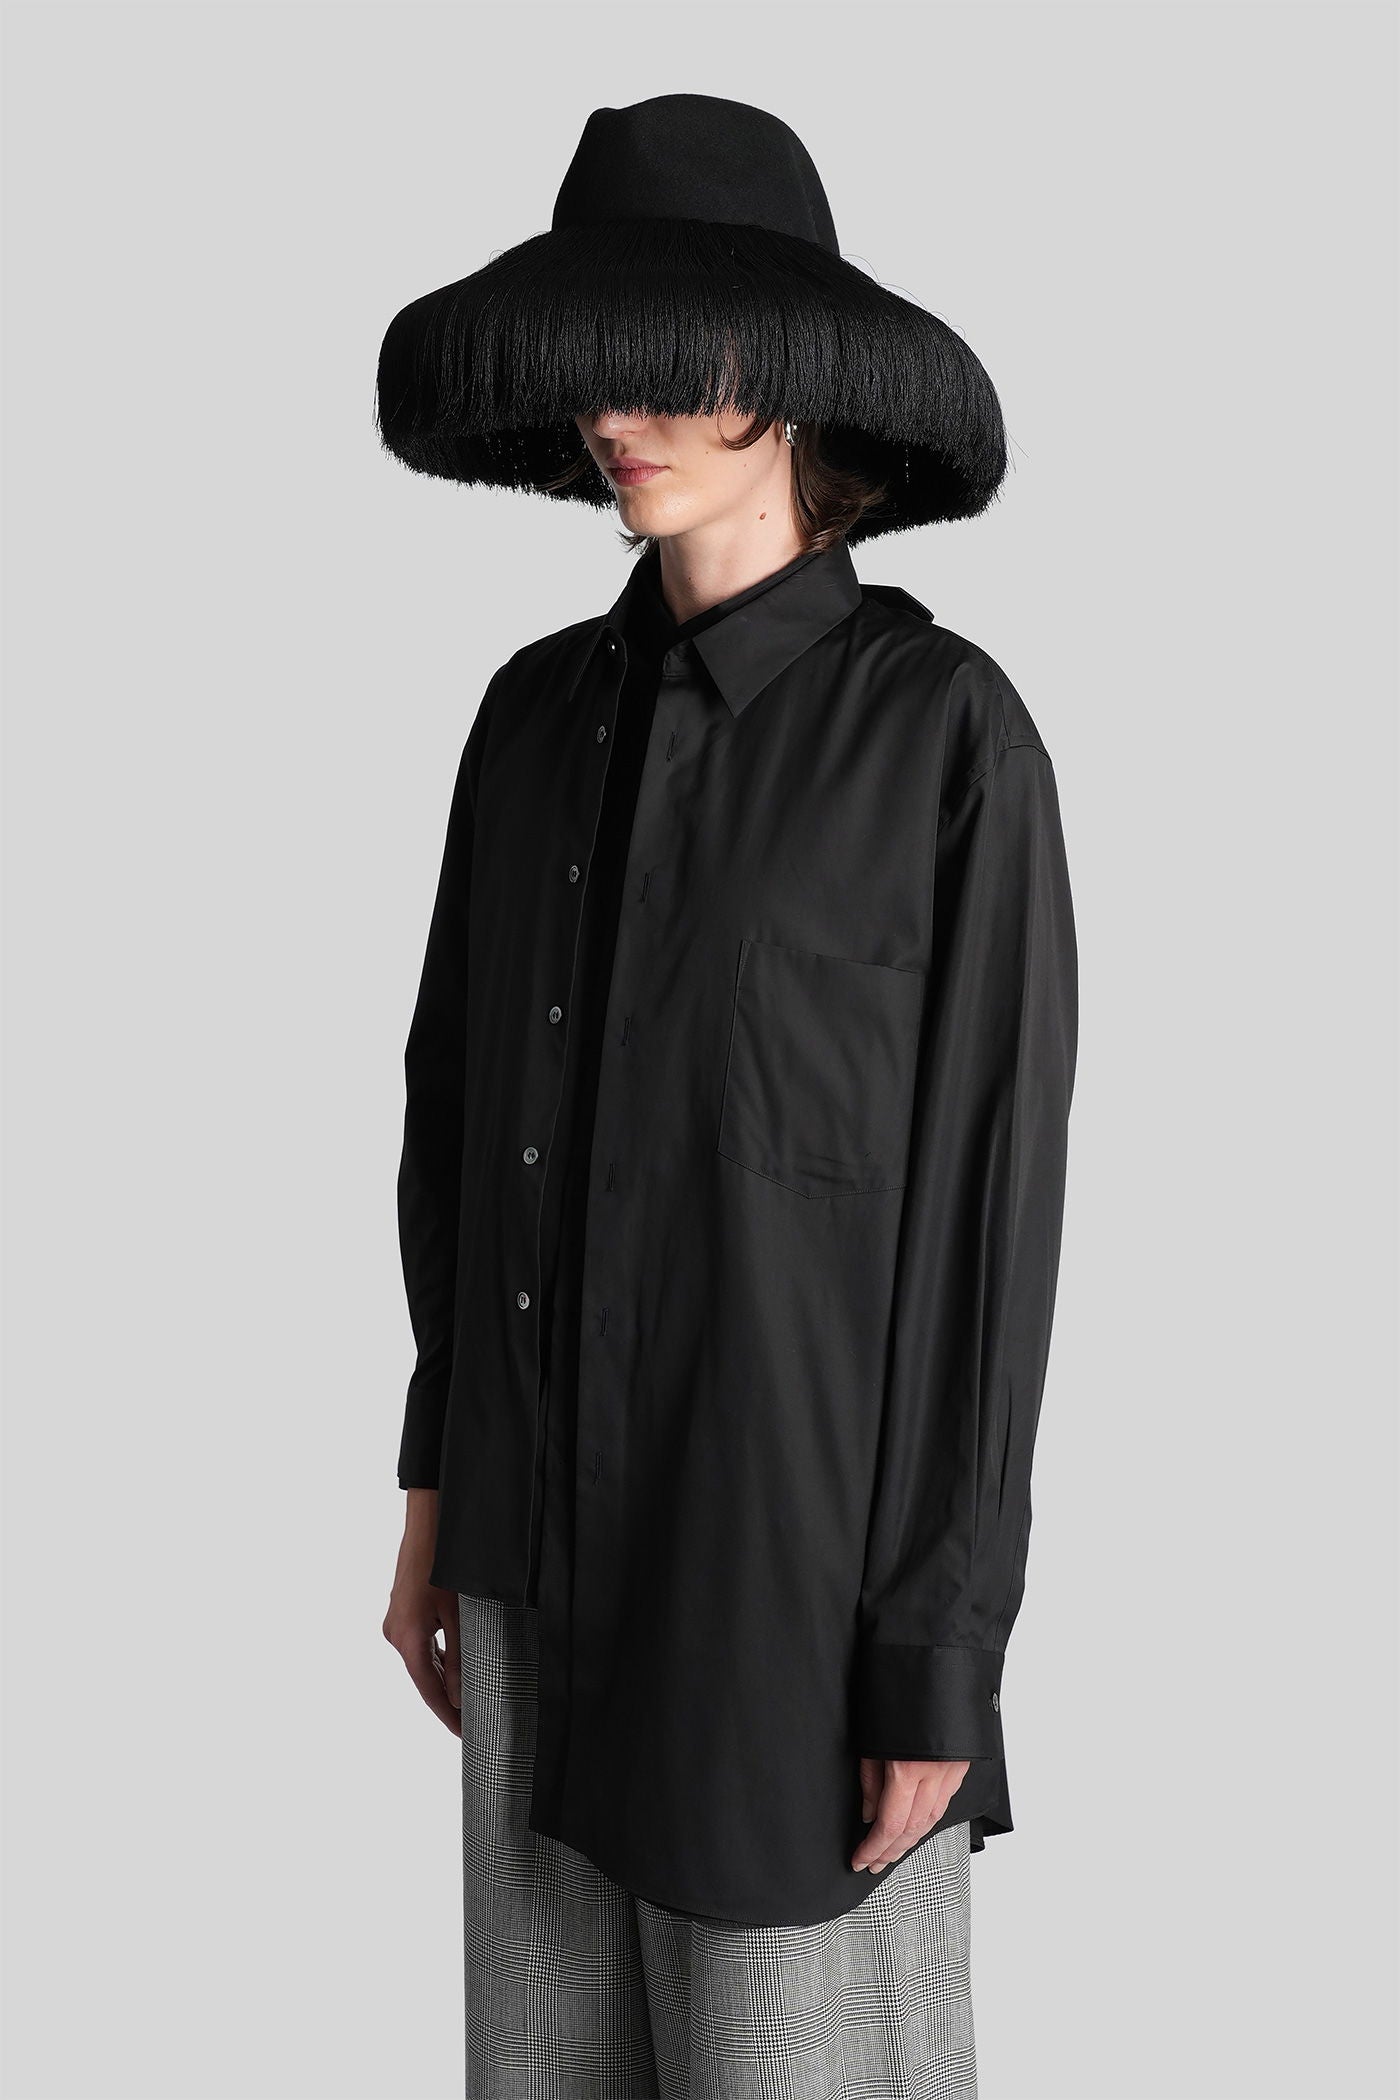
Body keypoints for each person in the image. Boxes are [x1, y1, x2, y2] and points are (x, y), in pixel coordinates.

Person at [376, 92, 1078, 2100]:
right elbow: (456, 1123)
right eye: (592, 363)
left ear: (787, 370)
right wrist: (434, 1494)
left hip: (787, 1587)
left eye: (666, 364)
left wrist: (937, 1651)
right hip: (530, 1559)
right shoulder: (530, 720)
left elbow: (984, 1230)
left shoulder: (942, 739)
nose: (617, 415)